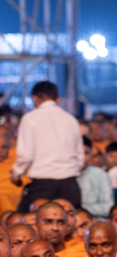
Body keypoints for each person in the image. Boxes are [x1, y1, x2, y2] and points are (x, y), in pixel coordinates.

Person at [12, 81, 85, 211]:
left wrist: (16, 175)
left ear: (35, 98)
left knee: (24, 219)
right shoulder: (70, 119)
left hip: (43, 185)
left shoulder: (30, 118)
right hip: (70, 184)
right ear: (57, 98)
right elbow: (80, 157)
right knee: (70, 221)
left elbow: (26, 156)